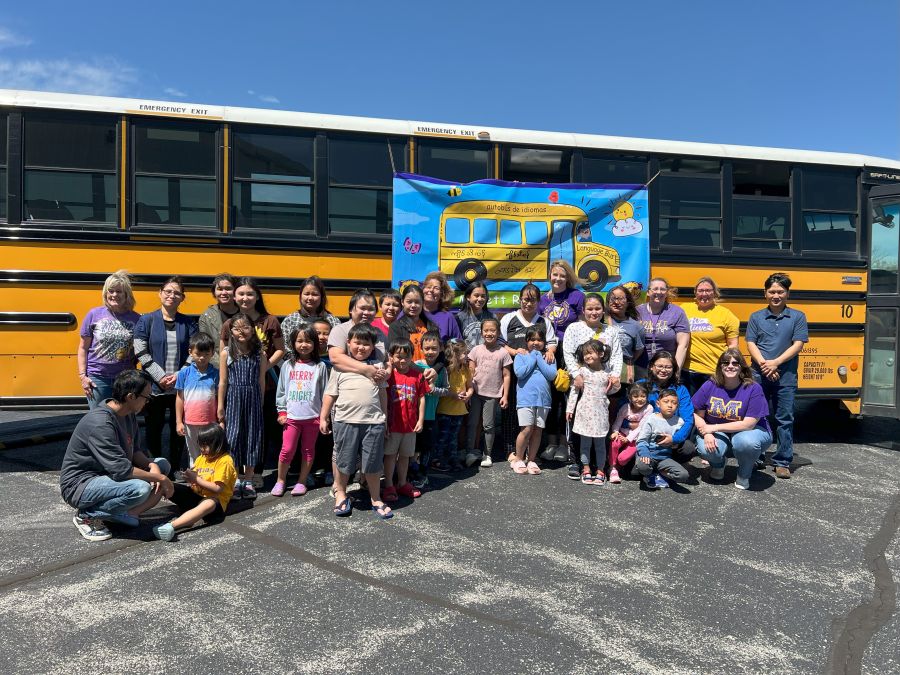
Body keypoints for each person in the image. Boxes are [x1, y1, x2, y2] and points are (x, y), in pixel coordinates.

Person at [60, 370, 174, 542]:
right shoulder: (101, 424)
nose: (148, 402)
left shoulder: (128, 415)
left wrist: (153, 467)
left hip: (108, 475)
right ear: (131, 397)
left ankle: (123, 512)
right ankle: (87, 515)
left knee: (162, 464)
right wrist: (160, 478)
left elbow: (135, 451)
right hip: (81, 485)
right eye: (147, 397)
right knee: (139, 489)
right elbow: (122, 470)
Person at [319, 323, 393, 519]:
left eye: (366, 344)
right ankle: (341, 494)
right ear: (348, 343)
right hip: (345, 421)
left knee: (373, 463)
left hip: (374, 422)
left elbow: (383, 393)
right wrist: (323, 416)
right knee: (344, 462)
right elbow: (330, 393)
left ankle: (375, 498)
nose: (361, 347)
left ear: (373, 346)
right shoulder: (340, 367)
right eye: (357, 343)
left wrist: (385, 418)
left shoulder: (378, 366)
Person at [745, 272, 808, 479]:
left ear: (787, 293)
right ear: (765, 293)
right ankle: (756, 456)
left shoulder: (798, 316)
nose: (776, 295)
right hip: (759, 376)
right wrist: (764, 365)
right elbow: (751, 343)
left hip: (786, 377)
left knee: (784, 419)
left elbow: (797, 344)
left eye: (780, 291)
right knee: (756, 417)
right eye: (772, 291)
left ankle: (782, 461)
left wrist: (775, 363)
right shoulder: (756, 317)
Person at [220, 277, 285, 478]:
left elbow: (280, 349)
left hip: (263, 385)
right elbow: (224, 353)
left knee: (257, 431)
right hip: (236, 389)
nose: (245, 298)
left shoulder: (270, 320)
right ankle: (236, 474)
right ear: (234, 296)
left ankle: (256, 473)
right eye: (241, 293)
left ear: (257, 296)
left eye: (250, 293)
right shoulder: (229, 323)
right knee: (235, 431)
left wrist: (263, 368)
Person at [133, 276, 196, 474]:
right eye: (168, 291)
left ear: (182, 298)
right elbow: (140, 351)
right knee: (154, 428)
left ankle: (176, 466)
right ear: (160, 294)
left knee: (179, 429)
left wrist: (179, 374)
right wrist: (160, 376)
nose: (172, 295)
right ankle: (157, 466)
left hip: (179, 385)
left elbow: (194, 351)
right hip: (154, 387)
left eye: (176, 293)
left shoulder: (188, 323)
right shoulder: (146, 320)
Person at [692, 349, 773, 490]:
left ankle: (744, 474)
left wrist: (713, 428)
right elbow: (696, 414)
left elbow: (748, 424)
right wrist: (707, 433)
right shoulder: (710, 385)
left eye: (735, 363)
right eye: (726, 362)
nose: (730, 366)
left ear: (741, 366)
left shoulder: (753, 388)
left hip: (751, 431)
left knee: (746, 443)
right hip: (716, 431)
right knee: (707, 448)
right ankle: (719, 464)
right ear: (720, 366)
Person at [561, 292, 623, 477]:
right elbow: (568, 353)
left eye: (597, 309)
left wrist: (614, 376)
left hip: (603, 383)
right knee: (576, 423)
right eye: (590, 309)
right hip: (580, 382)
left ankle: (599, 464)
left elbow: (617, 356)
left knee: (601, 424)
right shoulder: (574, 328)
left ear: (603, 310)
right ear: (583, 310)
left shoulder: (610, 331)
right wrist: (576, 374)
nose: (594, 312)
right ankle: (576, 461)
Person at [499, 283, 558, 460]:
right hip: (512, 371)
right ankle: (512, 451)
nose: (528, 303)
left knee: (534, 418)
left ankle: (531, 455)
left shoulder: (544, 321)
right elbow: (500, 343)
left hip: (537, 376)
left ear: (539, 301)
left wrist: (549, 351)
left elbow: (552, 343)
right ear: (520, 299)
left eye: (533, 300)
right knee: (510, 413)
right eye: (526, 299)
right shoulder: (509, 318)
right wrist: (515, 352)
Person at [152, 425, 237, 541]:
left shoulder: (225, 461)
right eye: (200, 444)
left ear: (219, 444)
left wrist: (196, 479)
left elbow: (218, 489)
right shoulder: (201, 458)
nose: (202, 449)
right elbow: (196, 478)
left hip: (215, 503)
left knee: (208, 503)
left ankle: (171, 526)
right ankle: (133, 514)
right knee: (165, 485)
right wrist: (189, 478)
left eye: (206, 445)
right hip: (196, 496)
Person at [273, 325, 327, 497]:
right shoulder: (288, 365)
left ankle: (302, 481)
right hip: (292, 418)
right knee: (287, 449)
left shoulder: (320, 366)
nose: (304, 345)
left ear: (315, 344)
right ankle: (280, 480)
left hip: (312, 418)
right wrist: (282, 412)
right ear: (293, 343)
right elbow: (281, 391)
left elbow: (325, 393)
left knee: (308, 450)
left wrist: (324, 416)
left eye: (308, 341)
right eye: (300, 341)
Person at [218, 313, 266, 500]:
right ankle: (236, 478)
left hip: (253, 396)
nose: (241, 332)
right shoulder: (227, 352)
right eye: (237, 328)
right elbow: (223, 381)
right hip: (234, 397)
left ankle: (249, 478)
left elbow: (261, 380)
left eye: (245, 327)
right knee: (233, 436)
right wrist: (220, 405)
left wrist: (260, 401)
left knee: (253, 436)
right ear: (231, 331)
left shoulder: (259, 353)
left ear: (252, 329)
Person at [77, 270, 141, 409]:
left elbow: (140, 350)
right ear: (105, 293)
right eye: (111, 291)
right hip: (98, 378)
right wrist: (83, 376)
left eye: (119, 291)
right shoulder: (93, 314)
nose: (114, 295)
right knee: (99, 419)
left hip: (125, 379)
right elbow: (83, 347)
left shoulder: (137, 319)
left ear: (126, 295)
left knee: (124, 418)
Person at [538, 260, 581, 461]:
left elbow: (583, 326)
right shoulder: (543, 299)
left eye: (562, 275)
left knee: (567, 398)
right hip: (548, 351)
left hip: (569, 351)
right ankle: (551, 442)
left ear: (568, 277)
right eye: (554, 275)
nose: (558, 279)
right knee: (550, 398)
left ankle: (565, 444)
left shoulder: (577, 296)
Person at [566, 340, 618, 484]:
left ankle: (601, 470)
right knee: (585, 444)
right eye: (585, 354)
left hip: (601, 413)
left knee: (601, 444)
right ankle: (586, 469)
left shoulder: (607, 373)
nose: (587, 356)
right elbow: (575, 391)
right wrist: (570, 409)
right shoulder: (582, 371)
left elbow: (612, 391)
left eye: (590, 353)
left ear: (601, 354)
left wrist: (616, 384)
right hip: (585, 412)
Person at [382, 339, 427, 503]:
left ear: (411, 357)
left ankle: (402, 482)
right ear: (391, 357)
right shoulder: (389, 376)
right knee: (390, 455)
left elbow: (422, 398)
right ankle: (388, 485)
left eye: (406, 357)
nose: (402, 360)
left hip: (410, 425)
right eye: (398, 356)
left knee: (405, 456)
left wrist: (421, 419)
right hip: (393, 425)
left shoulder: (418, 376)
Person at [465, 316, 511, 468]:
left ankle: (487, 454)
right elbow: (470, 371)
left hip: (492, 395)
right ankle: (471, 451)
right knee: (472, 423)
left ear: (498, 332)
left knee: (488, 426)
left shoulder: (503, 352)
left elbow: (506, 375)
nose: (489, 333)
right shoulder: (476, 350)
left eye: (492, 330)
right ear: (481, 332)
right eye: (486, 330)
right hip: (476, 393)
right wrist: (468, 390)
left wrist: (505, 395)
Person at [681, 277, 739, 394]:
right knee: (688, 409)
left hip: (713, 372)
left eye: (708, 290)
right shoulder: (684, 309)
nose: (704, 294)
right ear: (695, 292)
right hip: (688, 371)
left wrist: (728, 367)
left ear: (715, 293)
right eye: (701, 290)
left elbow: (733, 344)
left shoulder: (726, 314)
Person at [511, 326, 557, 476]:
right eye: (532, 340)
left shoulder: (549, 357)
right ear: (526, 341)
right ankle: (518, 459)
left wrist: (540, 358)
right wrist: (534, 357)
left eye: (539, 340)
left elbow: (551, 375)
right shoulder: (521, 356)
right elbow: (520, 373)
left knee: (537, 430)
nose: (536, 343)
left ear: (544, 342)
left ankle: (531, 460)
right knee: (526, 429)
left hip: (543, 400)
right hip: (526, 399)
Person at [636, 350, 695, 458]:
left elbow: (688, 420)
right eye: (660, 366)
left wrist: (674, 438)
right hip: (642, 435)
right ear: (651, 367)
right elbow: (625, 409)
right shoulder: (640, 385)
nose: (663, 370)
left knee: (688, 448)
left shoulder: (680, 390)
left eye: (668, 367)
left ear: (674, 370)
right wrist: (630, 425)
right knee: (634, 472)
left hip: (670, 436)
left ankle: (666, 465)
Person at [174, 332, 220, 468]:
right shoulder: (184, 373)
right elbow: (179, 398)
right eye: (198, 354)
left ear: (212, 353)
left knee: (210, 451)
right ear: (190, 352)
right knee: (194, 453)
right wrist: (178, 421)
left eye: (206, 354)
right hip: (190, 421)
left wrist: (220, 420)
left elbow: (219, 397)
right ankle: (196, 481)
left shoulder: (216, 374)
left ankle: (209, 480)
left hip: (210, 422)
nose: (202, 358)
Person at [413, 330, 450, 488]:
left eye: (434, 348)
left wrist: (435, 390)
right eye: (427, 348)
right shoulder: (416, 366)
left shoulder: (442, 370)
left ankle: (423, 475)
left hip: (430, 416)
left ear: (440, 349)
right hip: (412, 416)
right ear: (421, 348)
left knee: (426, 448)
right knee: (412, 448)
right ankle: (410, 473)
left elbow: (447, 390)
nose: (430, 351)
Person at [328, 289, 388, 380]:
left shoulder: (380, 334)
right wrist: (366, 369)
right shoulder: (340, 330)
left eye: (371, 309)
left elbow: (387, 361)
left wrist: (386, 374)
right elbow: (336, 358)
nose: (367, 313)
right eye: (362, 308)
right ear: (351, 310)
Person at [635, 388, 689, 489]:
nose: (670, 405)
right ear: (658, 403)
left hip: (664, 458)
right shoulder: (651, 419)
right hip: (649, 454)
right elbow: (642, 440)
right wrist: (644, 453)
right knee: (643, 467)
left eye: (674, 403)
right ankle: (649, 475)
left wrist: (673, 443)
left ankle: (661, 474)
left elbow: (676, 443)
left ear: (677, 406)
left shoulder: (679, 422)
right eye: (666, 401)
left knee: (683, 475)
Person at [433, 339, 473, 472]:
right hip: (445, 409)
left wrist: (468, 394)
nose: (466, 356)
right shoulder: (446, 370)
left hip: (459, 410)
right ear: (455, 355)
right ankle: (438, 459)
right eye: (463, 353)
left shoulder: (465, 369)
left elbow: (470, 387)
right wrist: (454, 395)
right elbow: (442, 389)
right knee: (443, 436)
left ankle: (452, 458)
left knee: (453, 436)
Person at [280, 276, 341, 361]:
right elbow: (283, 347)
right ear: (300, 295)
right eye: (307, 294)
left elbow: (339, 346)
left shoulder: (333, 321)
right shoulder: (290, 320)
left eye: (315, 294)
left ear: (322, 297)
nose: (310, 298)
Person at [637, 277, 690, 372]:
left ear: (666, 293)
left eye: (662, 289)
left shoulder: (677, 312)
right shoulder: (637, 311)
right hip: (640, 368)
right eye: (655, 289)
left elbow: (683, 345)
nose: (659, 292)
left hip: (665, 369)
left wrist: (675, 371)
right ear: (648, 292)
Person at [608, 382, 653, 484]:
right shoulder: (625, 407)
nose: (639, 399)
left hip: (636, 437)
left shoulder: (649, 408)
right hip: (623, 433)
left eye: (643, 396)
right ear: (630, 397)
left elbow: (642, 427)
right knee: (614, 443)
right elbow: (618, 421)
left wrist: (628, 439)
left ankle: (619, 464)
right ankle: (613, 468)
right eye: (635, 396)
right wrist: (615, 432)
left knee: (623, 459)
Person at [604, 284, 646, 384]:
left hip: (623, 376)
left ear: (628, 302)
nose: (616, 302)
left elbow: (639, 350)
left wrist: (626, 363)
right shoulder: (600, 320)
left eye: (621, 298)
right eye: (613, 298)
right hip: (600, 374)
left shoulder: (636, 326)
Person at [388, 284, 438, 362]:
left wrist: (435, 369)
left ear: (423, 303)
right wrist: (421, 370)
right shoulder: (395, 327)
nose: (413, 305)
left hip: (431, 372)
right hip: (408, 373)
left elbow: (441, 353)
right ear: (402, 302)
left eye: (417, 302)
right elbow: (396, 357)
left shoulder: (432, 326)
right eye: (409, 302)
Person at [198, 273, 239, 370]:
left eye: (228, 289)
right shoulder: (206, 317)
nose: (224, 293)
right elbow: (206, 346)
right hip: (217, 369)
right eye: (220, 289)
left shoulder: (246, 312)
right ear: (214, 292)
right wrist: (223, 366)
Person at [422, 271, 462, 341]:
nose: (431, 290)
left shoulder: (448, 317)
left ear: (442, 294)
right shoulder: (413, 312)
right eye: (428, 287)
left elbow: (458, 345)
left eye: (436, 288)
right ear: (423, 290)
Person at [456, 282, 494, 349]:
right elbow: (456, 342)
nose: (480, 299)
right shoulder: (459, 318)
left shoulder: (492, 317)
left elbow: (498, 339)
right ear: (468, 297)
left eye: (483, 296)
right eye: (476, 295)